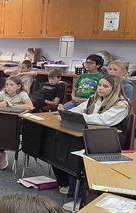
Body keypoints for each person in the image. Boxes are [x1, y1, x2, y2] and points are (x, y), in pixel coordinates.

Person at [55, 75, 131, 204]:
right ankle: (66, 184)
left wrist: (78, 117)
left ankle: (78, 196)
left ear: (115, 89)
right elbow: (78, 109)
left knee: (74, 151)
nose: (100, 88)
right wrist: (67, 114)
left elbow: (103, 119)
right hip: (90, 134)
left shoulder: (122, 103)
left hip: (108, 140)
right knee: (59, 145)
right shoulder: (95, 99)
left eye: (105, 86)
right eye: (99, 85)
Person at [0, 76, 33, 170]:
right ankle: (0, 153)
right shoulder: (3, 93)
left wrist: (13, 105)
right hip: (2, 121)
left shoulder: (22, 94)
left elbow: (30, 106)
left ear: (18, 86)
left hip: (16, 123)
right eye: (7, 85)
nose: (8, 87)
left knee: (0, 130)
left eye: (11, 85)